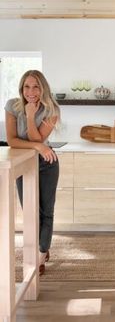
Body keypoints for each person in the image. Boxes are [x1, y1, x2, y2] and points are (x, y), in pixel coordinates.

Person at [5, 70, 60, 276]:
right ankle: (38, 248)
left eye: (36, 86)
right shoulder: (12, 106)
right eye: (26, 87)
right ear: (21, 88)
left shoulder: (52, 110)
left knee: (46, 211)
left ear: (43, 88)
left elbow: (36, 138)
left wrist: (30, 116)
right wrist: (38, 147)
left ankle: (40, 253)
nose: (31, 91)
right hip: (24, 163)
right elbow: (12, 140)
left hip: (47, 164)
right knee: (30, 211)